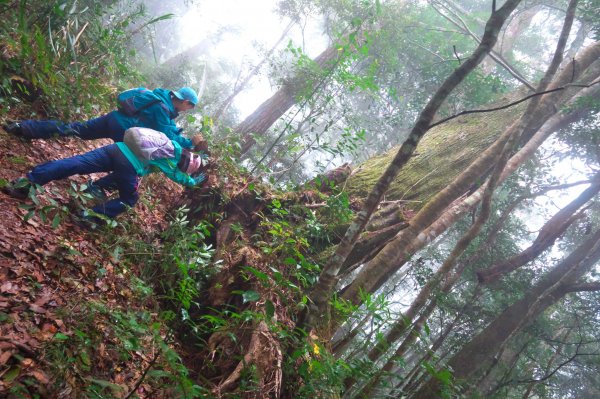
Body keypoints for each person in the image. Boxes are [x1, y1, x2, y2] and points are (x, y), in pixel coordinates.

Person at [2, 128, 209, 223]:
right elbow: (180, 178)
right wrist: (193, 181)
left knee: (75, 163)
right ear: (186, 166)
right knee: (130, 199)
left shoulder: (171, 144)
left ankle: (25, 184)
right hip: (128, 164)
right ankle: (88, 217)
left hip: (116, 149)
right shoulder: (173, 162)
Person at [3, 87, 199, 149]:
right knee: (127, 165)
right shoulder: (163, 108)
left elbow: (168, 126)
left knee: (74, 128)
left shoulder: (160, 98)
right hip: (124, 131)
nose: (188, 109)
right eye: (190, 106)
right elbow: (168, 133)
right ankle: (93, 193)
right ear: (186, 102)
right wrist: (189, 143)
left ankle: (23, 128)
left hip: (113, 118)